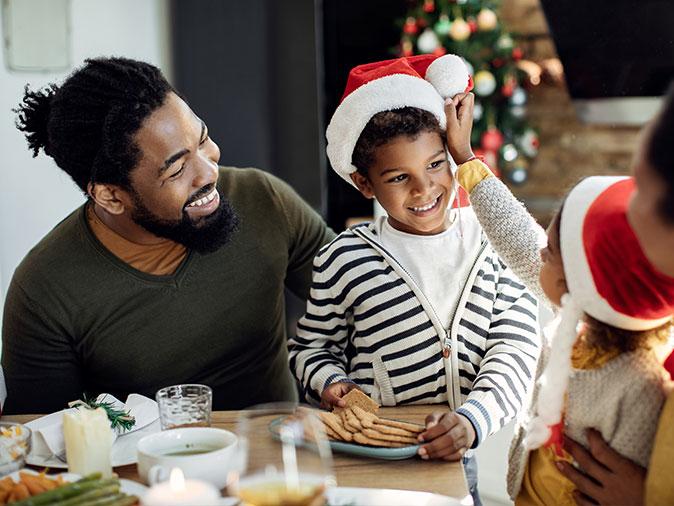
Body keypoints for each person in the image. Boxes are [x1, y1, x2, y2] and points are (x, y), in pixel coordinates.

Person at [3, 57, 335, 414]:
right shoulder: (44, 293)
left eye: (203, 139)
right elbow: (47, 442)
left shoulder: (264, 201)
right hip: (141, 468)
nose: (209, 172)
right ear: (111, 196)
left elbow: (362, 298)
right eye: (177, 169)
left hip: (279, 456)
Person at [288, 54, 541, 505]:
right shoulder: (343, 257)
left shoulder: (493, 243)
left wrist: (472, 420)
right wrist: (330, 381)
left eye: (436, 165)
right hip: (371, 459)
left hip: (456, 448)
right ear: (365, 185)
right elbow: (310, 347)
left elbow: (515, 347)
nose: (423, 190)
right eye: (399, 177)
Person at [454, 83, 674, 506]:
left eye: (553, 250)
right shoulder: (581, 310)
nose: (540, 252)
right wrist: (467, 161)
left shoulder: (639, 387)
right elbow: (518, 238)